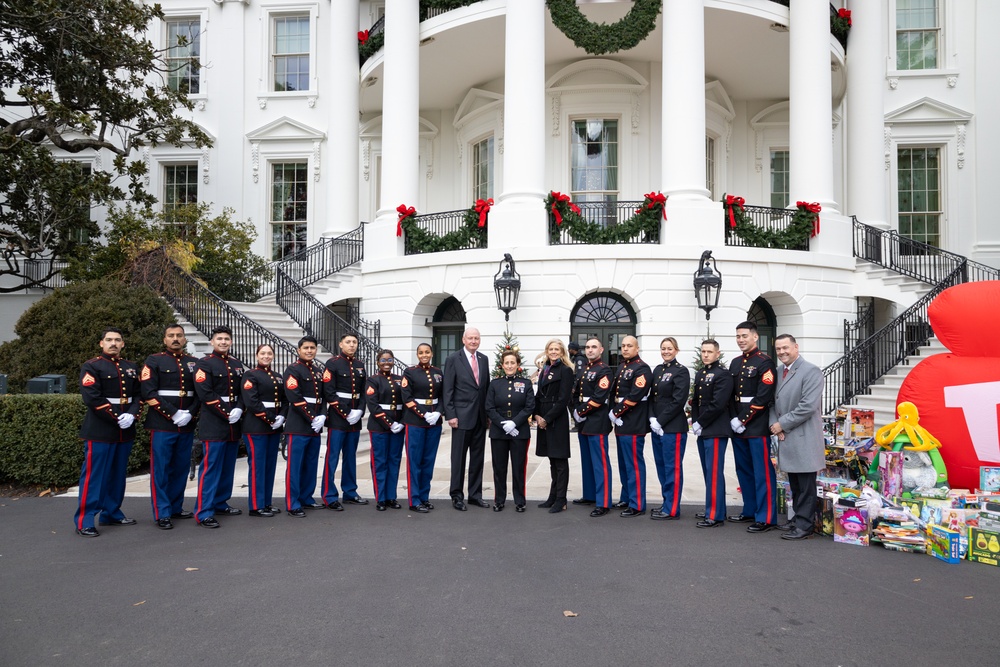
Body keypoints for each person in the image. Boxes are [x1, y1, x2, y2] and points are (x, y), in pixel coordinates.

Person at [73, 328, 141, 537]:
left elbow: (139, 395)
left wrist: (132, 414)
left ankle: (111, 513)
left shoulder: (131, 367)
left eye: (117, 340)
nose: (113, 343)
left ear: (123, 344)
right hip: (101, 430)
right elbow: (92, 397)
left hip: (125, 430)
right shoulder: (92, 366)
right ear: (101, 343)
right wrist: (116, 417)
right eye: (109, 340)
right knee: (94, 476)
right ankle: (84, 520)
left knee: (118, 475)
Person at [140, 324, 201, 530]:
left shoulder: (194, 363)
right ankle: (162, 512)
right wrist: (173, 413)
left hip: (186, 424)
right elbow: (149, 392)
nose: (175, 339)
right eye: (171, 336)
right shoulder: (154, 360)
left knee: (181, 467)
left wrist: (190, 413)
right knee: (161, 470)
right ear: (164, 339)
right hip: (163, 423)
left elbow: (201, 392)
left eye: (179, 336)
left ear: (184, 339)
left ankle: (176, 507)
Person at [769, 334, 824, 541]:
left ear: (796, 347)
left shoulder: (811, 371)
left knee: (806, 485)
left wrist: (781, 424)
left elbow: (807, 407)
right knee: (796, 484)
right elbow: (772, 403)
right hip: (787, 437)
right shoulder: (779, 371)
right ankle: (798, 519)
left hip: (804, 438)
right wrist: (775, 426)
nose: (782, 352)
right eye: (778, 349)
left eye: (785, 348)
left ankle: (805, 526)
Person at [193, 326, 246, 528]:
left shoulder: (236, 364)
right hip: (214, 422)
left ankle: (220, 502)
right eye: (219, 339)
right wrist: (227, 412)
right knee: (211, 468)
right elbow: (205, 393)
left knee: (227, 467)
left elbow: (243, 391)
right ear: (212, 342)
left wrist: (240, 409)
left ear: (231, 342)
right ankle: (204, 511)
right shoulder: (204, 364)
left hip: (233, 423)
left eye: (226, 339)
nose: (223, 342)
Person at [728, 321, 779, 532]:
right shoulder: (735, 362)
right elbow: (730, 395)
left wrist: (743, 419)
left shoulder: (764, 363)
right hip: (737, 425)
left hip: (756, 425)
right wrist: (733, 418)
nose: (741, 340)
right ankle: (749, 510)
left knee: (762, 472)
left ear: (755, 337)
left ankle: (766, 517)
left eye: (744, 336)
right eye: (738, 336)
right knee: (744, 470)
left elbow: (763, 396)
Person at [443, 327, 490, 510]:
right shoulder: (453, 359)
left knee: (478, 459)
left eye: (476, 338)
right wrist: (451, 414)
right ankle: (456, 495)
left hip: (480, 417)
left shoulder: (483, 359)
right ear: (463, 339)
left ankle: (475, 495)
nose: (473, 341)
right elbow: (448, 389)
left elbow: (484, 388)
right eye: (470, 338)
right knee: (459, 459)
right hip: (461, 418)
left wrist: (487, 414)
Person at [690, 339, 735, 528]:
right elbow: (696, 401)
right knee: (708, 471)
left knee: (714, 472)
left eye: (709, 351)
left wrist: (701, 421)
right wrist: (694, 420)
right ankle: (715, 508)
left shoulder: (723, 375)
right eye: (703, 351)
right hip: (704, 429)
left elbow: (718, 404)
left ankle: (715, 515)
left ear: (718, 353)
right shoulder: (702, 373)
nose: (706, 354)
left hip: (716, 429)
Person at [322, 333, 369, 509]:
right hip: (338, 417)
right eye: (348, 342)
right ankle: (329, 495)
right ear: (341, 344)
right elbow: (329, 391)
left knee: (350, 456)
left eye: (354, 342)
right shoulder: (332, 364)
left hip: (355, 417)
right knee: (332, 456)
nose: (351, 345)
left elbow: (364, 391)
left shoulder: (359, 365)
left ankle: (350, 492)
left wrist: (360, 411)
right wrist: (346, 412)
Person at [241, 344, 287, 517]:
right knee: (258, 466)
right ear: (256, 355)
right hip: (256, 427)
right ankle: (256, 505)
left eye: (269, 353)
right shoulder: (250, 375)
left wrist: (282, 416)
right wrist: (271, 418)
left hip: (274, 427)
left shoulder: (277, 376)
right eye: (263, 353)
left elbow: (284, 400)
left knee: (269, 466)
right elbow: (251, 401)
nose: (266, 356)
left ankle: (266, 503)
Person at [283, 336, 328, 517]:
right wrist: (312, 417)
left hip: (315, 426)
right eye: (306, 348)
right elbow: (294, 396)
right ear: (298, 350)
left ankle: (307, 497)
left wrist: (323, 415)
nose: (309, 351)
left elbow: (323, 397)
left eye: (312, 348)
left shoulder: (318, 371)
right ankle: (293, 503)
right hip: (298, 424)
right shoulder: (292, 370)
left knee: (310, 464)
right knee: (295, 466)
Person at [486, 350, 535, 512]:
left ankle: (520, 500)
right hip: (499, 432)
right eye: (506, 363)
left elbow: (529, 407)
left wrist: (514, 423)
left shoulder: (526, 383)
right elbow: (489, 407)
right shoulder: (494, 384)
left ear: (518, 365)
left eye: (512, 362)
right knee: (499, 468)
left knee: (518, 467)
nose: (509, 366)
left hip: (519, 431)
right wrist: (503, 424)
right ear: (502, 365)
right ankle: (499, 500)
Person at [648, 337, 691, 520]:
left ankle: (672, 509)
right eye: (663, 348)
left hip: (673, 427)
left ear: (676, 350)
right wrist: (651, 417)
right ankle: (666, 502)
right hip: (657, 427)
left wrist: (661, 421)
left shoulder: (681, 371)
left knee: (672, 468)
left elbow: (678, 400)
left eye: (669, 348)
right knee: (661, 467)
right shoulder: (658, 370)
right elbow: (652, 397)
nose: (666, 351)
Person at [609, 335, 652, 517]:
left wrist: (616, 412)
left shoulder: (641, 368)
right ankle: (626, 497)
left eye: (629, 346)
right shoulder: (623, 366)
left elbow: (635, 395)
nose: (625, 349)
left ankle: (637, 504)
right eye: (623, 346)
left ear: (637, 348)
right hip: (622, 423)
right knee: (624, 464)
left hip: (633, 421)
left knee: (634, 465)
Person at [571, 337, 614, 517]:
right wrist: (574, 410)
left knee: (600, 463)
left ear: (601, 349)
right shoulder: (585, 368)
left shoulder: (604, 370)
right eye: (587, 347)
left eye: (594, 347)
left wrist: (580, 412)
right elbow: (576, 392)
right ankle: (589, 495)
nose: (590, 350)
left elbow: (599, 397)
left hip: (597, 421)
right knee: (587, 462)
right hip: (584, 423)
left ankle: (603, 502)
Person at [401, 343, 444, 512]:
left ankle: (424, 497)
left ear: (432, 353)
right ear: (417, 354)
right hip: (416, 422)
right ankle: (414, 499)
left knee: (428, 461)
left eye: (427, 352)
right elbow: (407, 397)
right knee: (414, 461)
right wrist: (423, 414)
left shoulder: (438, 372)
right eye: (421, 352)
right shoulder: (410, 372)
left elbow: (443, 396)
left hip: (434, 422)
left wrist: (438, 413)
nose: (424, 355)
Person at [533, 339, 575, 513]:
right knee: (552, 459)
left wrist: (547, 419)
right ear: (546, 351)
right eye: (551, 349)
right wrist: (536, 415)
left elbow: (563, 399)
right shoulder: (544, 369)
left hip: (556, 419)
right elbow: (538, 394)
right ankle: (552, 496)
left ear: (562, 352)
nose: (554, 352)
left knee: (560, 461)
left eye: (557, 349)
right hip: (543, 416)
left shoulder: (565, 371)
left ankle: (561, 499)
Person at [365, 349, 406, 511]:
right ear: (377, 362)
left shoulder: (400, 379)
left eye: (389, 360)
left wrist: (402, 422)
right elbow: (373, 405)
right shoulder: (373, 380)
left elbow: (406, 401)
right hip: (379, 427)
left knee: (394, 461)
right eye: (383, 360)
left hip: (398, 426)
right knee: (379, 462)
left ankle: (391, 497)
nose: (386, 363)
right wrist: (390, 423)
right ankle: (381, 498)